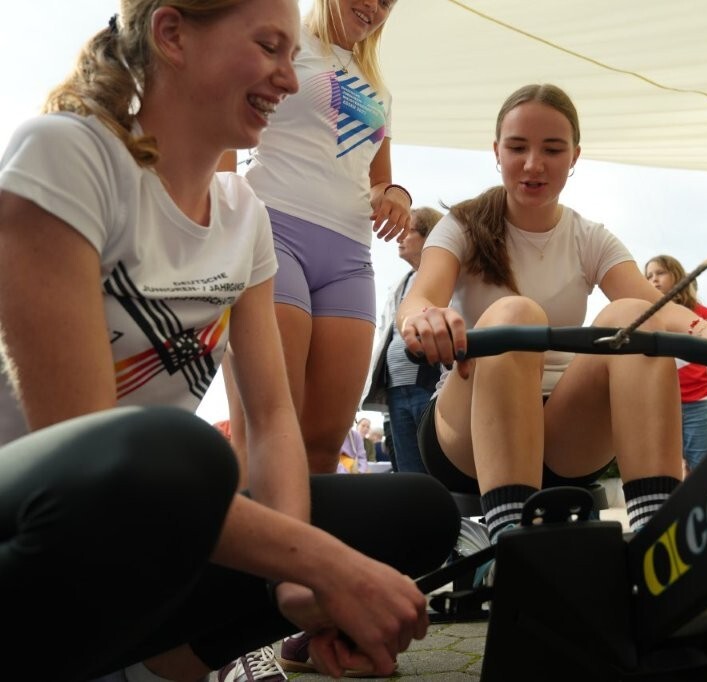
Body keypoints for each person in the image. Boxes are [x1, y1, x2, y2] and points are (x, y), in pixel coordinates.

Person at [0, 3, 458, 681]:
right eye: (269, 48)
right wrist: (324, 563)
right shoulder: (66, 155)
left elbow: (273, 418)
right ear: (173, 34)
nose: (291, 79)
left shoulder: (245, 215)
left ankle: (160, 664)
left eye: (291, 54)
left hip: (137, 520)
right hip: (35, 520)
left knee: (418, 514)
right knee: (182, 451)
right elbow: (93, 462)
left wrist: (294, 585)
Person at [397, 83, 707, 551]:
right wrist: (424, 318)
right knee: (518, 314)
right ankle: (515, 549)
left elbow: (658, 308)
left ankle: (657, 543)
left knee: (632, 316)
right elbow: (420, 297)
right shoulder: (461, 225)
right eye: (517, 148)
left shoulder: (589, 237)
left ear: (574, 156)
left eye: (552, 150)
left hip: (563, 434)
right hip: (467, 436)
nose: (533, 164)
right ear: (497, 152)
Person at [225, 0, 412, 479]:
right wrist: (221, 217)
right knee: (267, 428)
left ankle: (305, 530)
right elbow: (224, 122)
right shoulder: (285, 42)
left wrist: (396, 195)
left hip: (349, 256)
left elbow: (378, 180)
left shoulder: (379, 88)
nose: (373, 7)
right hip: (272, 233)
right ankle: (251, 530)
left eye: (387, 2)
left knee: (325, 445)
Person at [363, 206, 444, 474]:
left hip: (430, 386)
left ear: (429, 236)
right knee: (410, 473)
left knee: (436, 469)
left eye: (409, 231)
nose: (401, 237)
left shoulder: (443, 279)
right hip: (397, 391)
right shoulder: (402, 283)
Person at [644, 254, 707, 470]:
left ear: (676, 275)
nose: (654, 279)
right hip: (660, 404)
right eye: (649, 276)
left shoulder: (701, 313)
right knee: (666, 470)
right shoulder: (645, 316)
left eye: (660, 273)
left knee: (702, 469)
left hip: (697, 402)